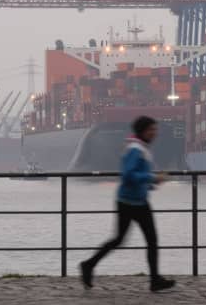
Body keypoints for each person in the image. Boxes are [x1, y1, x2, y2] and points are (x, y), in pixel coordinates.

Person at [80, 116, 175, 292]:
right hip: (129, 202)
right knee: (123, 240)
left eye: (155, 130)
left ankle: (154, 279)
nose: (155, 133)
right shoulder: (135, 149)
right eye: (151, 130)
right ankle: (88, 264)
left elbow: (136, 176)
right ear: (143, 132)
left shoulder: (141, 148)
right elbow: (128, 175)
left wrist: (152, 183)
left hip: (137, 200)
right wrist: (152, 177)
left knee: (145, 240)